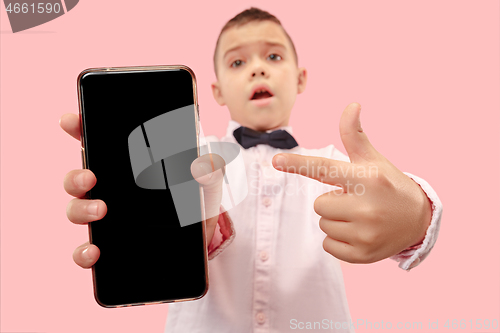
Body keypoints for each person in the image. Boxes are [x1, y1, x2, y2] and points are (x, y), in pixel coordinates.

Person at [60, 7, 442, 333]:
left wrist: (415, 214)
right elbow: (173, 227)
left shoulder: (334, 166)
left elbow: (380, 196)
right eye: (238, 62)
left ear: (300, 78)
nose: (257, 69)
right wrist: (180, 225)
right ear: (217, 92)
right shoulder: (188, 160)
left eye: (273, 57)